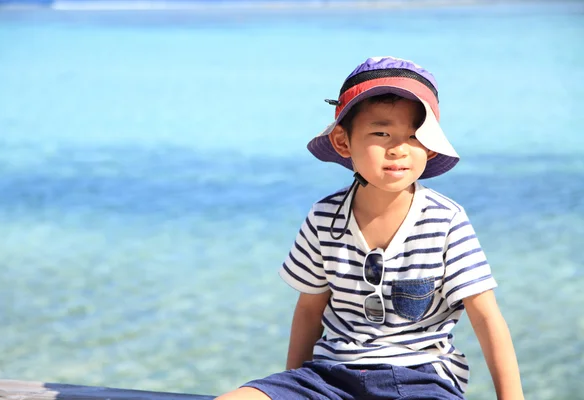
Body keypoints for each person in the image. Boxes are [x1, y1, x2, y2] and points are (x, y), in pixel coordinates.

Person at [216, 57, 524, 400]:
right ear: (343, 142)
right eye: (381, 133)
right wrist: (292, 383)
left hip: (421, 379)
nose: (399, 148)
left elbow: (486, 318)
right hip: (329, 376)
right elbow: (309, 309)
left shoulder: (446, 220)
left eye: (415, 135)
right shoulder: (324, 217)